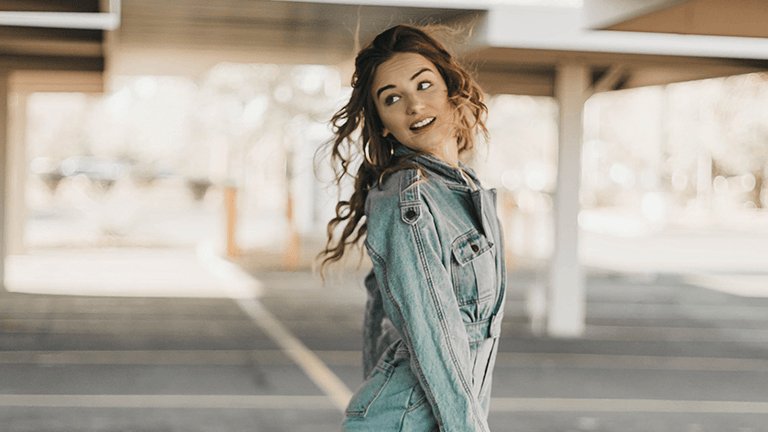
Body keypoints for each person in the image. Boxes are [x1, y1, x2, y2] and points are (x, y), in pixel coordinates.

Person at [318, 24, 506, 432]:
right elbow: (434, 333)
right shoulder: (409, 200)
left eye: (424, 85)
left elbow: (380, 310)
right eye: (392, 98)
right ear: (383, 122)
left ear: (451, 87)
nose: (414, 106)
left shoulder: (464, 190)